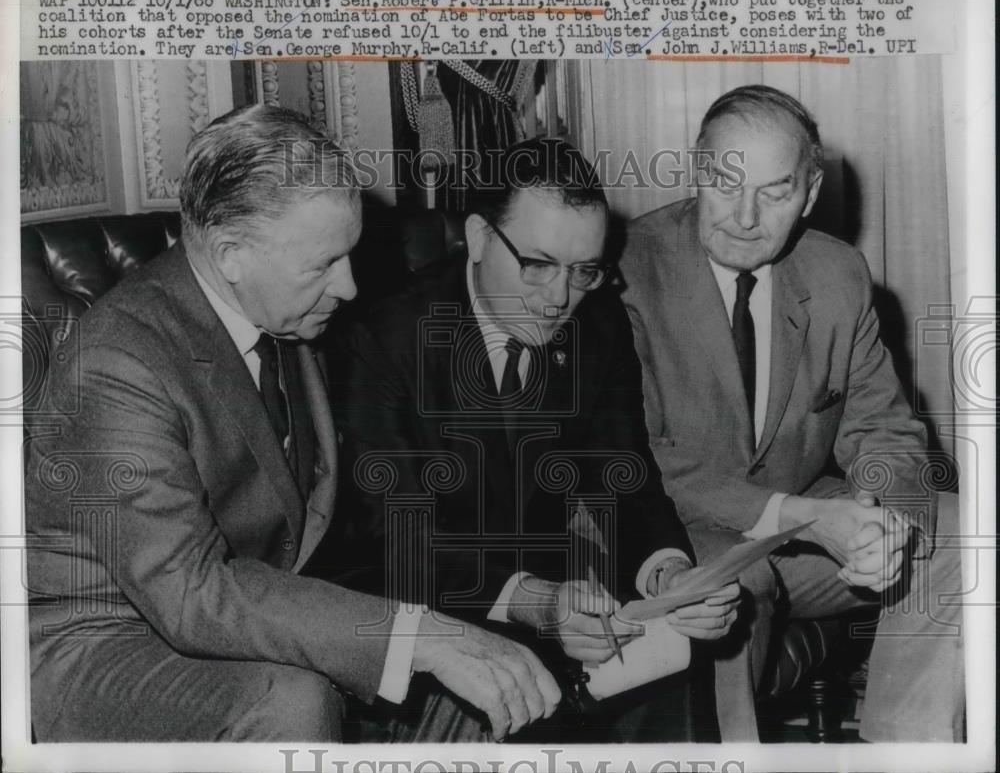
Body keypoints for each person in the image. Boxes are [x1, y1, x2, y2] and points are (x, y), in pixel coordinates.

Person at [24, 104, 562, 743]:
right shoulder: (118, 360)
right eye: (323, 265)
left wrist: (496, 604)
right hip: (103, 641)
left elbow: (349, 520)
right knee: (293, 699)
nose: (351, 287)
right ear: (231, 255)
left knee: (471, 685)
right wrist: (418, 635)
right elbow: (192, 593)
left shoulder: (284, 318)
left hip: (230, 612)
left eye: (349, 256)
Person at [318, 138, 740, 741]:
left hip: (547, 587)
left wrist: (669, 575)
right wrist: (533, 601)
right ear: (481, 238)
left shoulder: (596, 319)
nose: (558, 298)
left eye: (583, 271)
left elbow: (625, 477)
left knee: (671, 657)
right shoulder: (384, 337)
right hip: (415, 599)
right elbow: (397, 533)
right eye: (537, 265)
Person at [620, 84, 964, 742]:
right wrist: (811, 518)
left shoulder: (839, 273)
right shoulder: (630, 270)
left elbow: (881, 426)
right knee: (731, 586)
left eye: (775, 193)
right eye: (724, 183)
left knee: (966, 534)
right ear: (697, 168)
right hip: (674, 527)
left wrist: (884, 521)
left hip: (803, 531)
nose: (744, 216)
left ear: (808, 195)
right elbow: (646, 457)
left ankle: (906, 747)